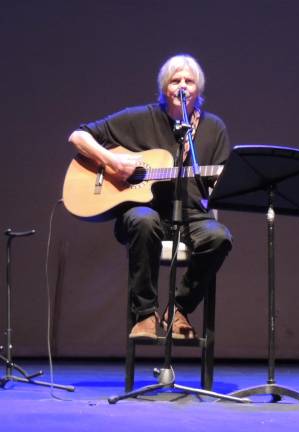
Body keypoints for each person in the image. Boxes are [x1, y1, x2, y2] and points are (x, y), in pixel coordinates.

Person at [68, 54, 232, 340]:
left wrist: (223, 183)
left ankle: (178, 309)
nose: (182, 86)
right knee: (144, 221)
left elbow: (219, 189)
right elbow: (78, 137)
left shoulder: (213, 127)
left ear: (199, 89)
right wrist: (112, 162)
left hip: (192, 214)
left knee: (219, 237)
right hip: (143, 210)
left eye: (189, 81)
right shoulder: (139, 118)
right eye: (175, 80)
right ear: (164, 87)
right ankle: (144, 314)